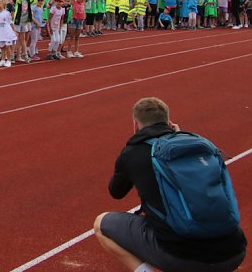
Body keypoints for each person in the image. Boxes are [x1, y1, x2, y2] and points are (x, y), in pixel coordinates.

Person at [94, 97, 246, 272]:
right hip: (233, 252)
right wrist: (177, 135)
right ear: (169, 121)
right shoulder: (201, 145)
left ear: (135, 125)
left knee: (101, 224)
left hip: (180, 257)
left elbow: (116, 192)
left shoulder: (133, 152)